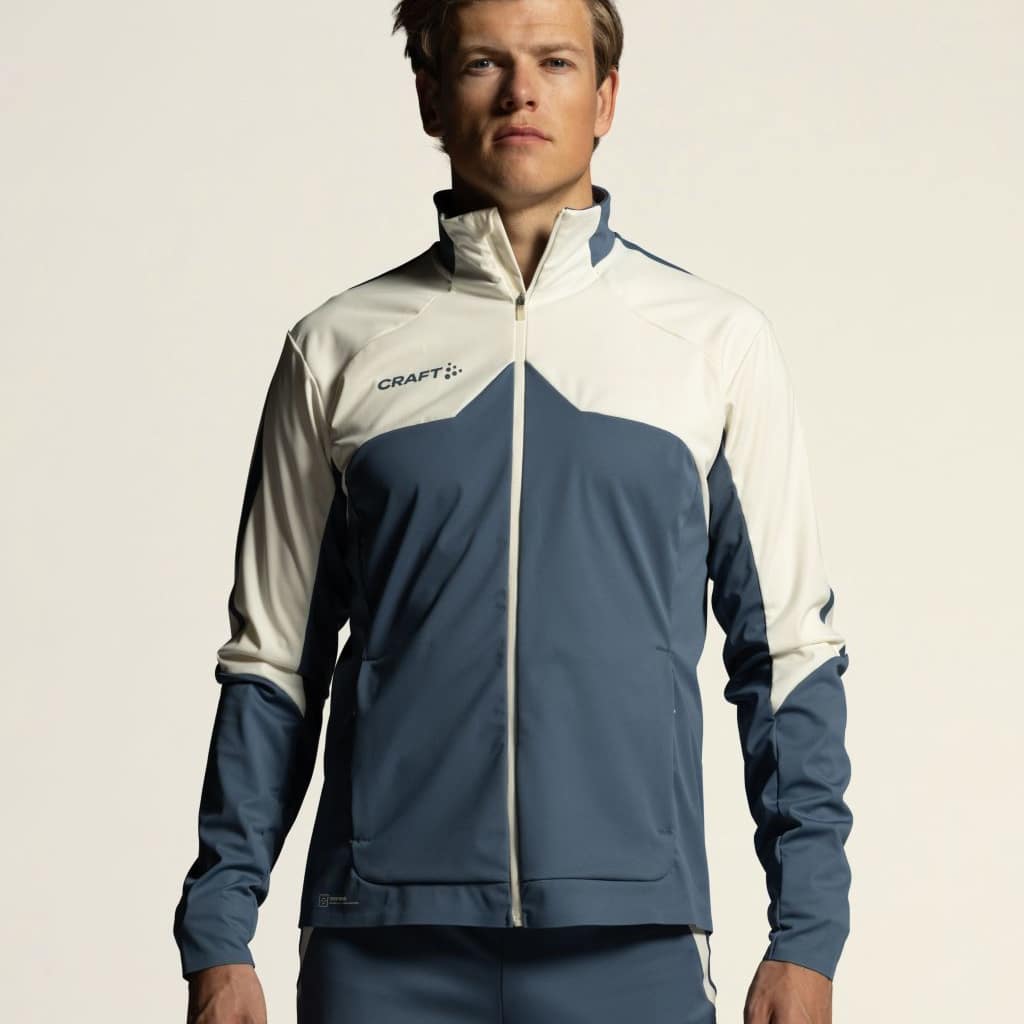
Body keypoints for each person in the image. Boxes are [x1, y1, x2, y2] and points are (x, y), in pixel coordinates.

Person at [173, 1, 854, 1022]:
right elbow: (273, 662)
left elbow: (787, 653)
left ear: (606, 98)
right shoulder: (338, 348)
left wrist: (807, 931)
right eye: (484, 62)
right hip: (382, 946)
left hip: (631, 942)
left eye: (556, 62)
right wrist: (220, 929)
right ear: (430, 98)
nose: (522, 92)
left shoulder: (713, 345)